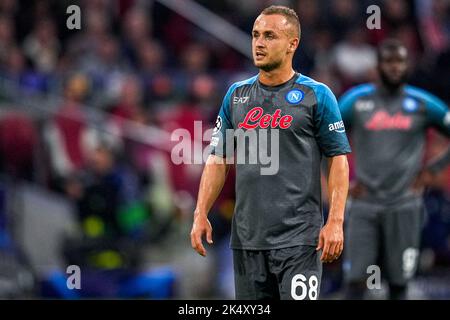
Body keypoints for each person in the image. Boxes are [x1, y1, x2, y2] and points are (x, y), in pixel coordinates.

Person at [190, 5, 351, 300]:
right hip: (247, 243)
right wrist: (201, 212)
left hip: (300, 241)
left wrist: (335, 221)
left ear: (292, 43)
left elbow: (338, 160)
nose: (259, 43)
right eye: (255, 35)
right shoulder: (236, 95)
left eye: (269, 35)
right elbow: (218, 159)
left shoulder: (317, 94)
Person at [339, 39, 450, 300]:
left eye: (400, 61)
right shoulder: (355, 101)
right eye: (388, 61)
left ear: (407, 66)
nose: (394, 67)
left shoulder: (423, 104)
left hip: (404, 205)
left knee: (399, 284)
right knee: (355, 281)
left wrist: (433, 169)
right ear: (378, 66)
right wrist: (340, 181)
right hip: (364, 205)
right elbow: (322, 137)